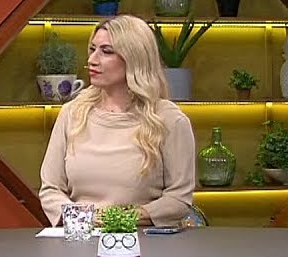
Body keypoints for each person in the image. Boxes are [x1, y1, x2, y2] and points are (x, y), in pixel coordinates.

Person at [39, 14, 196, 226]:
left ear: (134, 58)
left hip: (143, 238)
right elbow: (51, 190)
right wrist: (86, 219)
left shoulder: (169, 120)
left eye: (106, 51)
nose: (92, 60)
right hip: (81, 237)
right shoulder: (72, 113)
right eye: (92, 49)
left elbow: (178, 199)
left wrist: (120, 220)